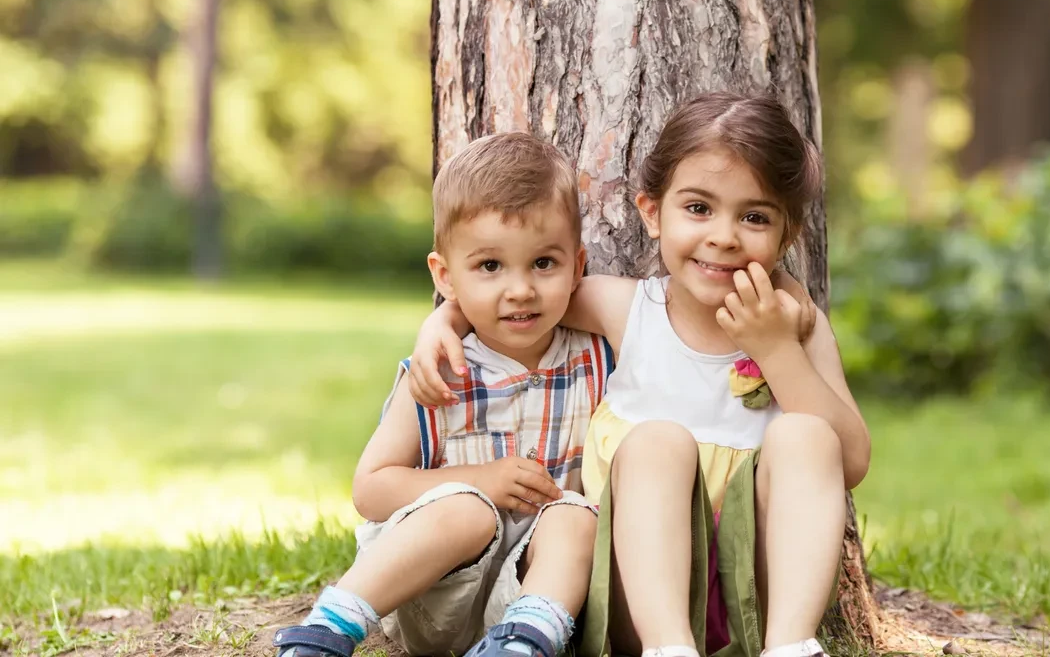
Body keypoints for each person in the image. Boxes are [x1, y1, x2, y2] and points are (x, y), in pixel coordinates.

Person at [409, 92, 871, 657]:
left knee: (806, 434)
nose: (724, 235)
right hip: (641, 597)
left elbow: (848, 461)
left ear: (787, 234)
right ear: (653, 213)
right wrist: (445, 319)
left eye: (754, 217)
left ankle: (790, 647)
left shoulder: (799, 329)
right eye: (698, 208)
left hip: (759, 593)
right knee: (657, 441)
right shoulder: (626, 308)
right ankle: (669, 650)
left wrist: (776, 350)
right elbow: (521, 303)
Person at [272, 133, 612, 657]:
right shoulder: (438, 371)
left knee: (576, 514)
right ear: (445, 276)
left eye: (543, 263)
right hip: (434, 598)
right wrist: (481, 481)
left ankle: (521, 645)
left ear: (578, 265)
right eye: (490, 266)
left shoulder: (597, 360)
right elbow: (372, 488)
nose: (520, 289)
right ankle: (326, 630)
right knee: (468, 509)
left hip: (542, 597)